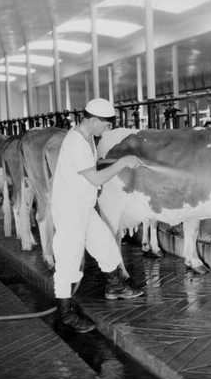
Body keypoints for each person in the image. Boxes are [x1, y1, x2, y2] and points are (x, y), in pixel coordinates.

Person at [51, 98, 144, 333]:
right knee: (68, 260)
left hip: (83, 205)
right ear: (93, 120)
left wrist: (111, 162)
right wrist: (122, 161)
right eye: (105, 125)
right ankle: (65, 315)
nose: (107, 130)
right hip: (71, 210)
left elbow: (89, 172)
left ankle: (116, 287)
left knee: (105, 244)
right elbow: (95, 178)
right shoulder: (76, 143)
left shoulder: (87, 137)